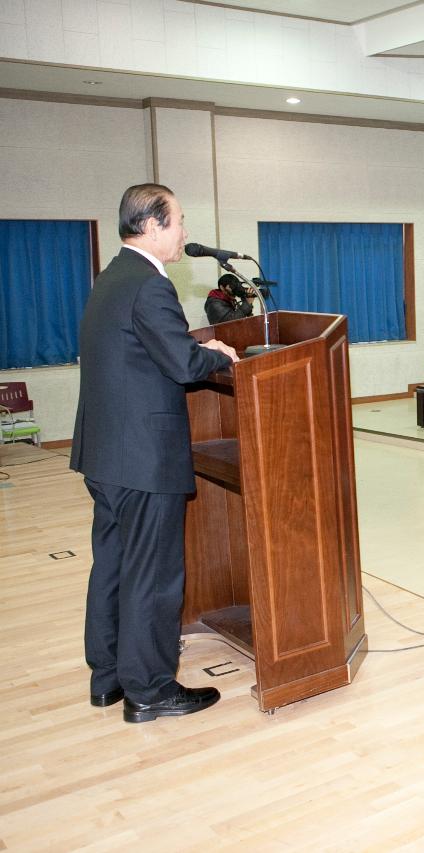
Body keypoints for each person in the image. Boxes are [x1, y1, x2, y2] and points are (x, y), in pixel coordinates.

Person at [72, 183, 239, 723]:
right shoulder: (148, 284)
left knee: (115, 566)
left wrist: (194, 348)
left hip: (106, 452)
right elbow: (182, 365)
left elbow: (140, 352)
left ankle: (110, 678)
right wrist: (212, 353)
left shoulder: (111, 278)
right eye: (180, 221)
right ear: (151, 225)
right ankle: (150, 689)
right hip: (143, 457)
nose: (185, 233)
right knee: (152, 572)